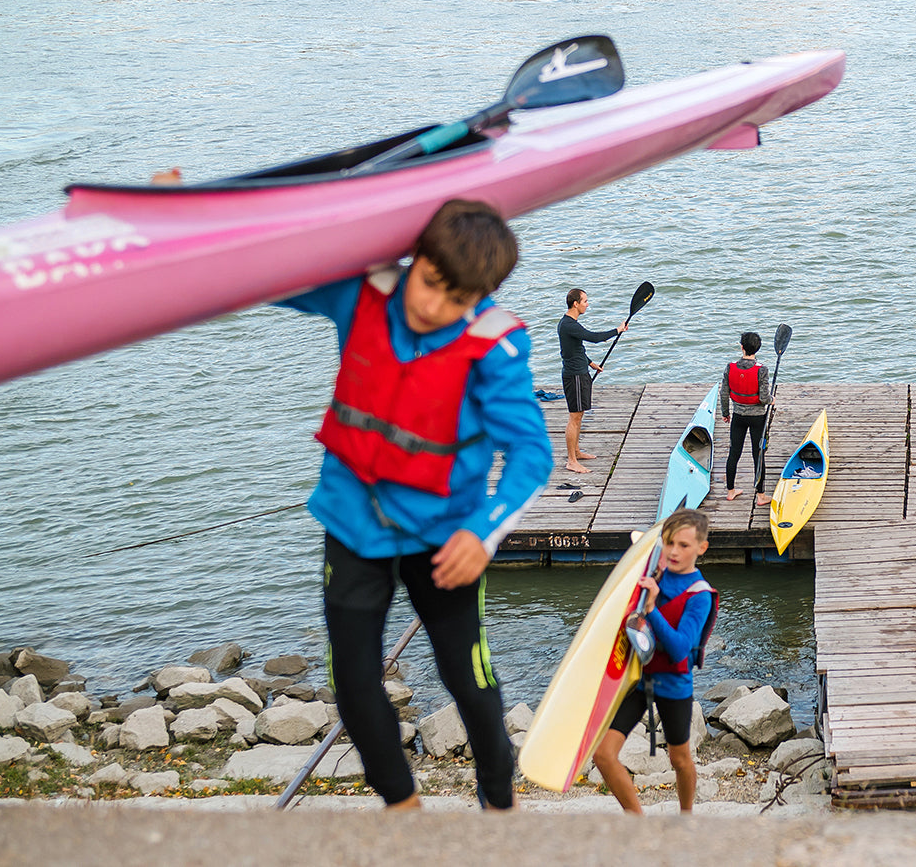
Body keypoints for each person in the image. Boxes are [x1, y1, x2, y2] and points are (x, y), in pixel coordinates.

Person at [277, 199, 553, 811]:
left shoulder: (492, 350)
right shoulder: (363, 295)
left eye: (457, 301)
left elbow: (532, 457)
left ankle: (499, 802)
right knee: (351, 681)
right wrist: (186, 214)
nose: (433, 308)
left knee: (469, 682)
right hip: (353, 525)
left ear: (478, 299)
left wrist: (483, 534)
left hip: (446, 538)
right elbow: (261, 274)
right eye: (429, 285)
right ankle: (404, 808)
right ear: (416, 259)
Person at [593, 508, 718, 815]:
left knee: (679, 759)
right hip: (638, 680)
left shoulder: (699, 595)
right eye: (669, 543)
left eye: (684, 546)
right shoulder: (652, 572)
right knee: (604, 755)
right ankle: (637, 819)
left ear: (701, 548)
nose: (674, 551)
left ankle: (686, 816)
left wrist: (651, 608)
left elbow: (678, 649)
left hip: (674, 687)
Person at [558, 288, 626, 473]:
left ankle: (577, 451)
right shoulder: (568, 325)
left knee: (579, 416)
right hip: (575, 376)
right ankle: (571, 461)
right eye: (585, 301)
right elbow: (594, 338)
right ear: (576, 304)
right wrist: (617, 330)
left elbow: (574, 349)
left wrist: (591, 363)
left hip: (580, 372)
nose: (588, 304)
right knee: (575, 417)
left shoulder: (570, 324)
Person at [719, 331, 773, 507]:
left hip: (738, 416)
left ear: (741, 347)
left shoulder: (730, 366)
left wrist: (725, 412)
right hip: (758, 418)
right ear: (757, 348)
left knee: (734, 453)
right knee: (758, 454)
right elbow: (764, 398)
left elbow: (724, 392)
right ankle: (761, 495)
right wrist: (772, 400)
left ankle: (730, 491)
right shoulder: (762, 370)